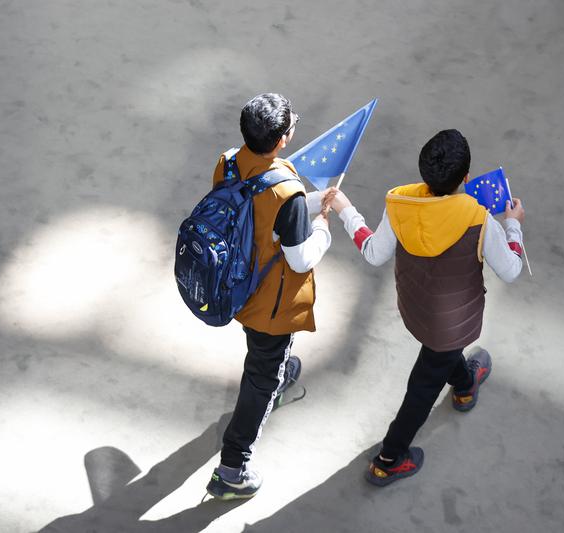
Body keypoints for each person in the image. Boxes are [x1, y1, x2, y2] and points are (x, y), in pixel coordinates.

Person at [324, 129, 525, 486]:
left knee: (442, 358)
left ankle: (465, 386)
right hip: (453, 323)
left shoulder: (400, 204)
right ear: (465, 177)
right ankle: (389, 458)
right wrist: (513, 227)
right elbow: (510, 270)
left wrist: (348, 212)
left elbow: (373, 252)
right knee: (422, 386)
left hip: (415, 308)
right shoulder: (479, 218)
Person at [205, 93, 332, 500]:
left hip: (233, 285)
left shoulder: (227, 162)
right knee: (261, 375)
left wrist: (307, 204)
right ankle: (232, 469)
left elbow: (253, 204)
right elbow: (300, 260)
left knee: (261, 357)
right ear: (282, 140)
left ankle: (273, 379)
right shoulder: (287, 192)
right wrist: (324, 229)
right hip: (269, 305)